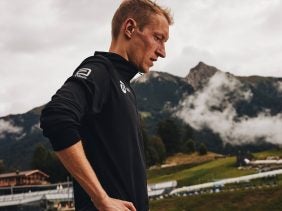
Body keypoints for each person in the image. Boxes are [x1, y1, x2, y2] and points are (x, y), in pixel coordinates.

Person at [40, 0, 173, 210]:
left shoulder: (126, 88)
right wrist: (100, 198)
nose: (163, 52)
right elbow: (56, 117)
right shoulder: (101, 71)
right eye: (158, 38)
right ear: (130, 28)